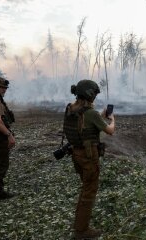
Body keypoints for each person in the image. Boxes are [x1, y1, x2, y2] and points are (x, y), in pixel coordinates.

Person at [63, 79, 115, 239]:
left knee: (86, 187)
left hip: (76, 155)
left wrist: (101, 116)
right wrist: (112, 120)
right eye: (95, 94)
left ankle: (79, 223)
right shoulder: (90, 113)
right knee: (89, 191)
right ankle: (81, 230)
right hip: (88, 157)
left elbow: (85, 123)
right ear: (90, 95)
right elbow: (110, 131)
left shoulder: (71, 109)